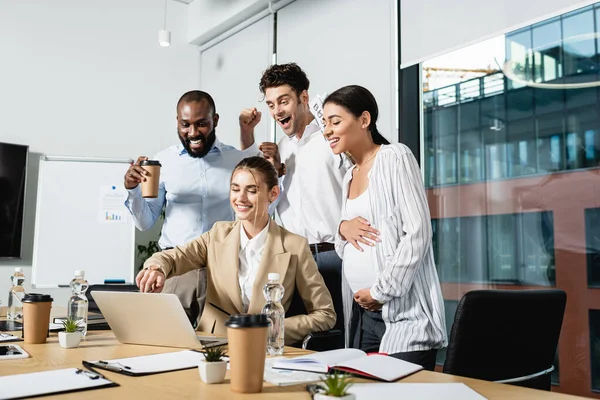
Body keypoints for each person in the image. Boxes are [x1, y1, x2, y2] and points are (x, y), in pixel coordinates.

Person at [135, 156, 336, 344]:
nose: (241, 198)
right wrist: (156, 269)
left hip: (265, 351)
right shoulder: (217, 234)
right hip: (212, 348)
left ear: (273, 194)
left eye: (252, 190)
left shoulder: (295, 247)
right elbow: (175, 257)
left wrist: (272, 329)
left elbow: (325, 314)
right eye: (235, 189)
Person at [322, 85, 447, 370]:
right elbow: (346, 246)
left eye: (336, 121)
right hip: (364, 318)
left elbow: (418, 232)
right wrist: (342, 228)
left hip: (403, 315)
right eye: (325, 123)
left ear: (364, 120)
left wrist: (380, 292)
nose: (327, 130)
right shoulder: (348, 176)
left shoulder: (394, 157)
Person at [239, 63, 351, 335]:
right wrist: (275, 171)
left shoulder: (331, 138)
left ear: (304, 97)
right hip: (290, 261)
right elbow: (266, 208)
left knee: (336, 338)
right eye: (271, 104)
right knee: (289, 341)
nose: (277, 111)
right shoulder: (281, 149)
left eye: (283, 101)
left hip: (332, 256)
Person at [124, 90, 258, 250]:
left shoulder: (235, 160)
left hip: (223, 259)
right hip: (176, 262)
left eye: (201, 124)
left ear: (215, 120)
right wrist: (133, 189)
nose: (193, 133)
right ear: (177, 122)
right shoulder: (164, 161)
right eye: (185, 124)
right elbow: (144, 223)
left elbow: (259, 210)